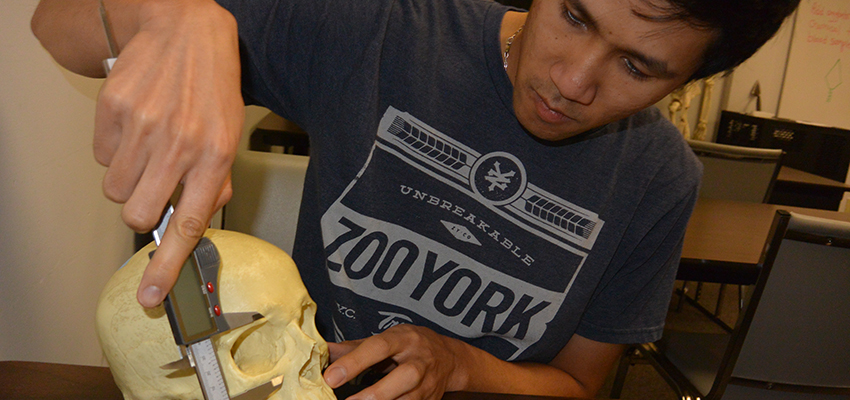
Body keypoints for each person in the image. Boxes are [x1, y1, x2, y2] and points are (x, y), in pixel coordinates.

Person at [31, 0, 799, 398]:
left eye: (639, 66)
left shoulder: (662, 180)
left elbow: (580, 382)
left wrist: (459, 365)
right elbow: (53, 23)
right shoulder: (388, 32)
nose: (573, 81)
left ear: (691, 78)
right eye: (573, 15)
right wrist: (174, 15)